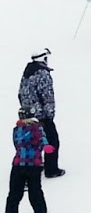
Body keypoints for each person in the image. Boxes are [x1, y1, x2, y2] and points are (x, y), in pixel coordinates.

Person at [17, 49, 61, 178]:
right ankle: (51, 169)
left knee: (30, 143)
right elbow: (47, 95)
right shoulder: (43, 74)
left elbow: (21, 93)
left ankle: (28, 171)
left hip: (28, 114)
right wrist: (49, 114)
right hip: (41, 115)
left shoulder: (27, 72)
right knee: (52, 141)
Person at [4, 106, 50, 213]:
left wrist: (43, 145)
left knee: (16, 191)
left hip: (19, 164)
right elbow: (42, 139)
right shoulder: (36, 127)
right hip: (33, 164)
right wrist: (44, 146)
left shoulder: (18, 129)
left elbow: (17, 144)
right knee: (34, 190)